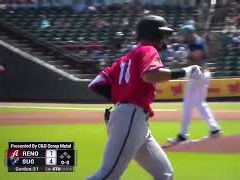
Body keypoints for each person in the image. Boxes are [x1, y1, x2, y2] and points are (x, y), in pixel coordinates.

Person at [87, 15, 203, 180]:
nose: (165, 40)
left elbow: (97, 84)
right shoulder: (148, 49)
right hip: (131, 117)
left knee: (165, 174)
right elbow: (150, 75)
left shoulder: (125, 59)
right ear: (154, 34)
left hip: (133, 120)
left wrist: (121, 100)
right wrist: (186, 71)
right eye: (163, 35)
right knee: (108, 175)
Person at [167, 24, 222, 144]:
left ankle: (183, 135)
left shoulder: (195, 43)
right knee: (200, 103)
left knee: (188, 105)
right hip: (203, 74)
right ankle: (214, 129)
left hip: (198, 75)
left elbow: (197, 62)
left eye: (185, 34)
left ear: (190, 33)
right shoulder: (198, 41)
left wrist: (178, 65)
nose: (183, 37)